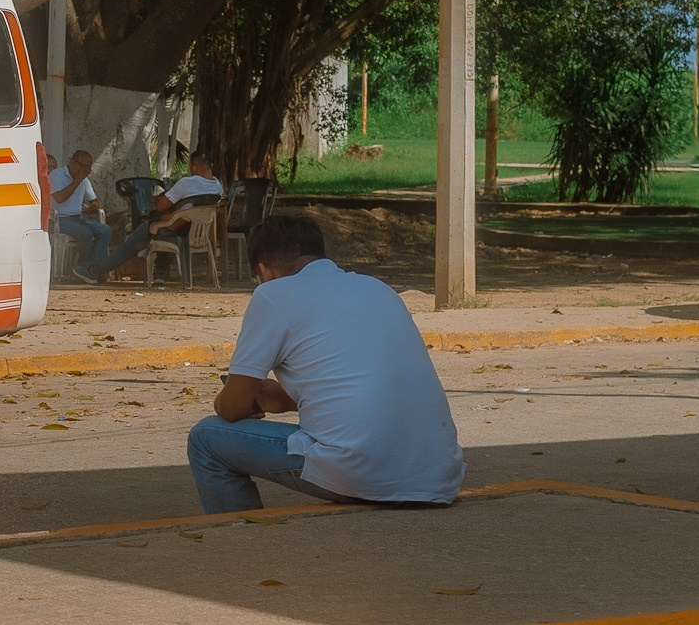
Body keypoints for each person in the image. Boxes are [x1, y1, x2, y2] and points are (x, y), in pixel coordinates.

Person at [185, 212, 465, 513]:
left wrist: (239, 398)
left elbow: (232, 408)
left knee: (206, 437)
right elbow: (363, 381)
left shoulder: (272, 294)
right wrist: (286, 399)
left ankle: (240, 538)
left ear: (264, 270)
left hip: (364, 474)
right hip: (438, 477)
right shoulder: (378, 288)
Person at [89, 148, 224, 281]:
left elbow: (161, 206)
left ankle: (95, 270)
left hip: (176, 227)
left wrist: (161, 197)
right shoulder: (218, 186)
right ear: (210, 165)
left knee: (130, 245)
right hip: (197, 232)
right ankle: (160, 274)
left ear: (193, 167)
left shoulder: (186, 184)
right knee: (165, 226)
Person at [47, 149, 112, 282]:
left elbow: (93, 200)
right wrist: (77, 180)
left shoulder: (84, 180)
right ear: (72, 162)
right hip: (58, 219)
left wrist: (93, 206)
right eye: (82, 166)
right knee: (85, 233)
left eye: (88, 167)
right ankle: (83, 267)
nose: (85, 170)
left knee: (105, 230)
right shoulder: (57, 175)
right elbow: (59, 198)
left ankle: (94, 268)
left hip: (78, 217)